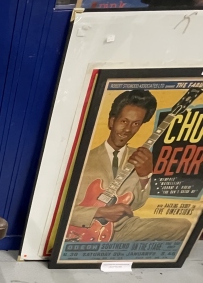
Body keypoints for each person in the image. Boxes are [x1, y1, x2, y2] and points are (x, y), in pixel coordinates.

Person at [69, 89, 191, 241]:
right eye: (124, 121)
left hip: (123, 228)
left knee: (183, 226)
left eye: (135, 124)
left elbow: (136, 205)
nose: (127, 129)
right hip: (83, 229)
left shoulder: (140, 157)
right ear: (112, 121)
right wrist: (99, 212)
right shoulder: (83, 158)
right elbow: (61, 211)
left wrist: (144, 175)